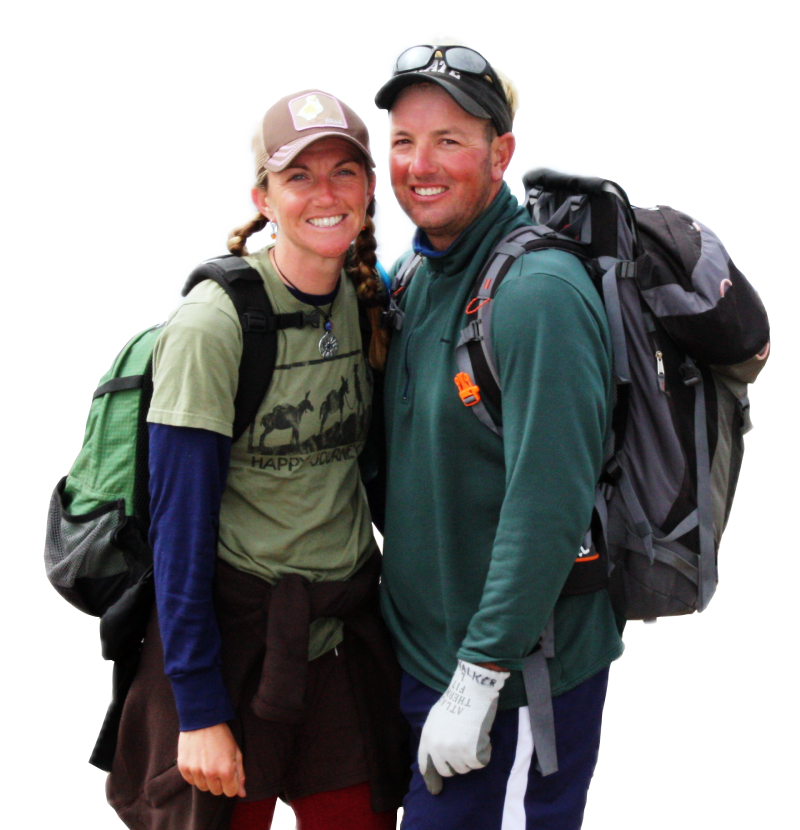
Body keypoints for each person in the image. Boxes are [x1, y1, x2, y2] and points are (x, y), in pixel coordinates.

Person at [105, 89, 408, 830]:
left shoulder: (370, 300)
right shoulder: (215, 324)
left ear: (372, 188)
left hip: (338, 640)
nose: (326, 194)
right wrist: (200, 712)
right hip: (234, 647)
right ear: (261, 195)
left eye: (344, 172)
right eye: (299, 176)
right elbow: (178, 534)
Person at [373, 34, 625, 829]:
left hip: (518, 682)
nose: (422, 164)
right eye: (405, 142)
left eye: (450, 140)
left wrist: (481, 678)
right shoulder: (418, 272)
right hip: (425, 659)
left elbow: (547, 507)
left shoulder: (537, 293)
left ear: (500, 152)